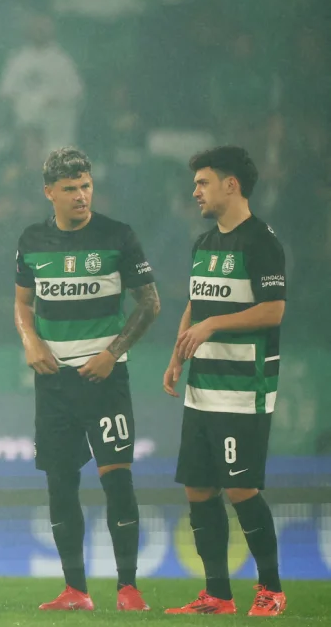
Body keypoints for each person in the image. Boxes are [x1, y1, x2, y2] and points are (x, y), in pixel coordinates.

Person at [14, 148, 159, 611]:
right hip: (54, 381)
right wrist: (31, 342)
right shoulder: (32, 240)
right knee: (60, 483)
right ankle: (75, 590)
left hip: (105, 380)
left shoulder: (118, 236)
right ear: (49, 193)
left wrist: (112, 354)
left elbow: (150, 303)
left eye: (86, 186)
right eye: (70, 189)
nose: (81, 195)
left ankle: (128, 588)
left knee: (117, 478)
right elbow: (22, 303)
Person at [164, 146, 287, 617]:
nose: (195, 191)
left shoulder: (261, 242)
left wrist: (214, 325)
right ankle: (217, 594)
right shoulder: (204, 243)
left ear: (231, 184)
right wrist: (178, 355)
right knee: (197, 487)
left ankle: (271, 589)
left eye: (203, 182)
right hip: (202, 388)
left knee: (240, 489)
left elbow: (273, 310)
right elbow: (196, 304)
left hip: (243, 390)